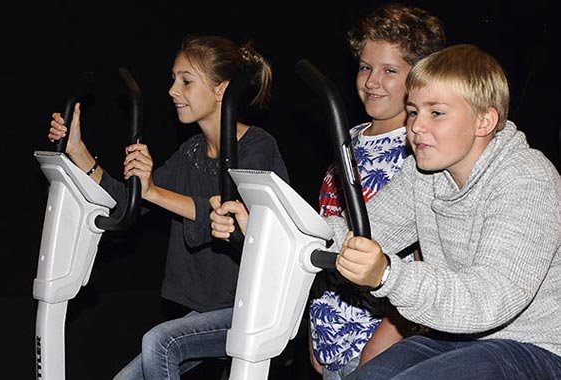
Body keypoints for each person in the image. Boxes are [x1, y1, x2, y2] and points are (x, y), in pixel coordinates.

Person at [47, 34, 289, 380]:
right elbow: (127, 203)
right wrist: (78, 151)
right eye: (174, 80)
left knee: (161, 341)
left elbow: (229, 217)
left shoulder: (257, 147)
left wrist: (153, 191)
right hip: (208, 310)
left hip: (256, 310)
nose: (173, 91)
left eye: (186, 81)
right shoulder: (190, 153)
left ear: (222, 90)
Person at [325, 43, 561, 380]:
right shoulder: (424, 174)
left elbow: (492, 297)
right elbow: (364, 231)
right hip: (454, 337)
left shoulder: (526, 179)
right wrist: (278, 228)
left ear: (485, 120)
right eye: (413, 111)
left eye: (436, 113)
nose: (417, 126)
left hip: (533, 347)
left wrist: (389, 276)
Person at [307, 4, 445, 379]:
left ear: (418, 77)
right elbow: (328, 237)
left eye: (389, 71)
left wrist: (384, 344)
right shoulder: (349, 139)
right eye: (366, 67)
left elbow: (426, 261)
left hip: (376, 350)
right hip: (330, 342)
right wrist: (316, 328)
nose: (371, 82)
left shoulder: (421, 150)